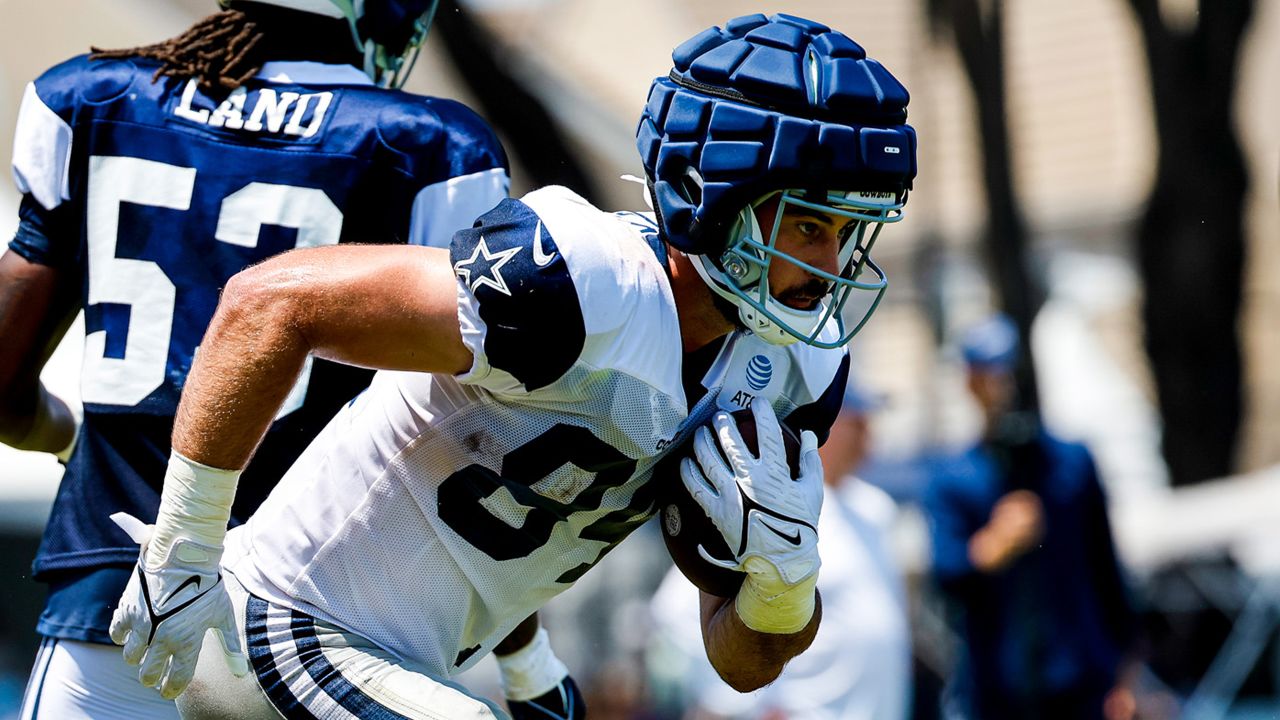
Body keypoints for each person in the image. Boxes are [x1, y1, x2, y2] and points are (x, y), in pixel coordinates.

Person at [108, 12, 918, 719]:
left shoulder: (792, 372)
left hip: (412, 670)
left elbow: (742, 666)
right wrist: (181, 553)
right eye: (812, 226)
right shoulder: (585, 285)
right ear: (709, 194)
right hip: (287, 625)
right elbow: (268, 305)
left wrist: (785, 583)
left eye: (853, 231)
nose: (837, 262)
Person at [0, 1, 515, 717]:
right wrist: (528, 661)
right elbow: (471, 432)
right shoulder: (425, 146)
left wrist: (69, 440)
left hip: (116, 595)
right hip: (316, 630)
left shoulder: (95, 99)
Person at [650, 379, 911, 719]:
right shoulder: (765, 509)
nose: (869, 436)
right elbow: (675, 612)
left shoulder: (875, 509)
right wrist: (736, 706)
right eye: (857, 422)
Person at [922, 315, 1140, 720]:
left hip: (1083, 689)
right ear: (970, 382)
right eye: (989, 374)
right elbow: (945, 579)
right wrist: (994, 545)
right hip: (998, 694)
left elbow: (1108, 573)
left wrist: (1125, 677)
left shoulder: (1071, 462)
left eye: (1009, 372)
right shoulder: (953, 477)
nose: (1003, 386)